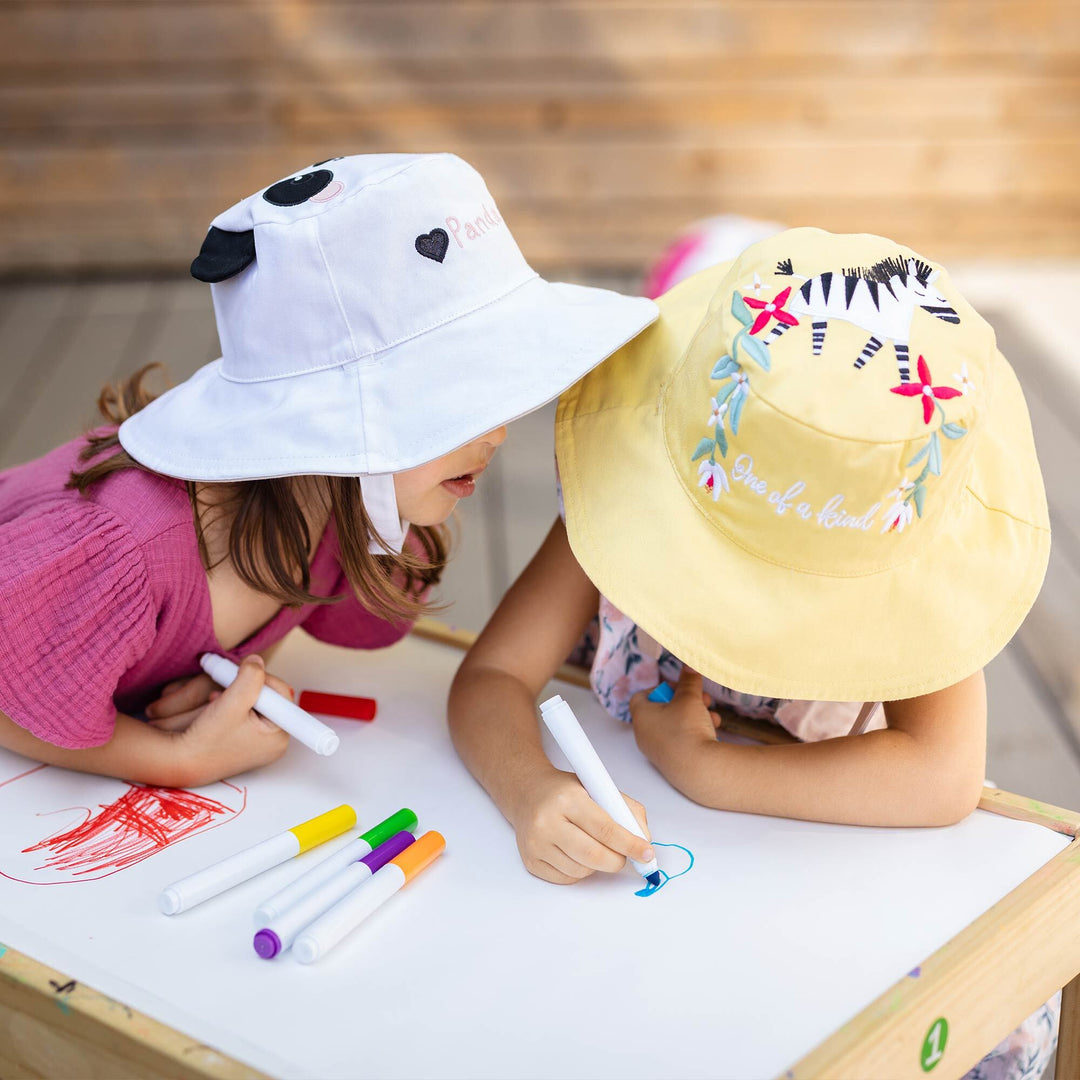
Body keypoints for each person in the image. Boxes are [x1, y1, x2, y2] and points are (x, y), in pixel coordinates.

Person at [0, 152, 657, 787]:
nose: (495, 432)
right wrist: (178, 760)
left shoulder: (338, 516)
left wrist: (238, 665)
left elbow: (345, 621)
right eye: (454, 401)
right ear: (328, 425)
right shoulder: (125, 550)